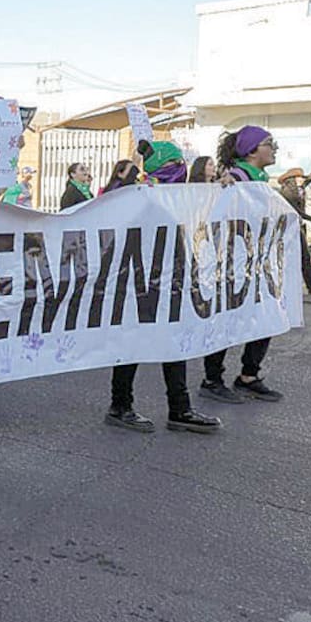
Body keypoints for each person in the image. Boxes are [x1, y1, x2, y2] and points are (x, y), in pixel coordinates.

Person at [104, 141, 222, 434]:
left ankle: (179, 409)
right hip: (139, 284)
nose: (180, 168)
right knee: (132, 346)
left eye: (181, 162)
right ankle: (120, 405)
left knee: (175, 344)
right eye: (173, 163)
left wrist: (225, 187)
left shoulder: (180, 196)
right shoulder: (140, 193)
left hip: (171, 282)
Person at [198, 125, 283, 405]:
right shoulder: (236, 177)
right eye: (269, 143)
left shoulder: (260, 180)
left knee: (265, 317)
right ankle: (212, 379)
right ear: (251, 150)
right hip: (232, 266)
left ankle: (248, 376)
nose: (274, 149)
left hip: (256, 264)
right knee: (226, 321)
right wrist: (223, 183)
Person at [278, 163, 311, 294]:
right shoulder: (288, 192)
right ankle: (299, 286)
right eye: (299, 177)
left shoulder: (299, 189)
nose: (302, 180)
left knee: (304, 257)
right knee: (296, 258)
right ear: (292, 179)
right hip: (289, 228)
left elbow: (310, 179)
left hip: (298, 226)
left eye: (302, 178)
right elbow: (296, 211)